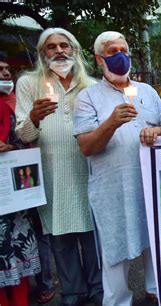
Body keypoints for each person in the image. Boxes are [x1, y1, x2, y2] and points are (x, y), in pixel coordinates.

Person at [73, 31, 161, 305]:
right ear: (99, 59)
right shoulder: (88, 97)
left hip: (148, 184)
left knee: (154, 239)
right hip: (112, 189)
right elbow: (86, 147)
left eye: (124, 50)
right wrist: (111, 123)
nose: (120, 56)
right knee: (115, 249)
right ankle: (118, 300)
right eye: (112, 50)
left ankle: (157, 291)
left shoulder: (148, 91)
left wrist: (159, 132)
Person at [15, 28, 102, 305]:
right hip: (52, 173)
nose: (59, 51)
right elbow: (24, 135)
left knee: (91, 235)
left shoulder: (92, 86)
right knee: (60, 236)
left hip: (88, 169)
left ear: (75, 51)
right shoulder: (29, 84)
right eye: (51, 47)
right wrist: (33, 117)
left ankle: (98, 290)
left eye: (65, 45)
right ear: (42, 54)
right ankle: (73, 293)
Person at [0, 53, 40, 306]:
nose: (5, 74)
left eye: (6, 69)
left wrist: (10, 148)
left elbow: (22, 141)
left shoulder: (6, 108)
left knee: (17, 252)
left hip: (12, 200)